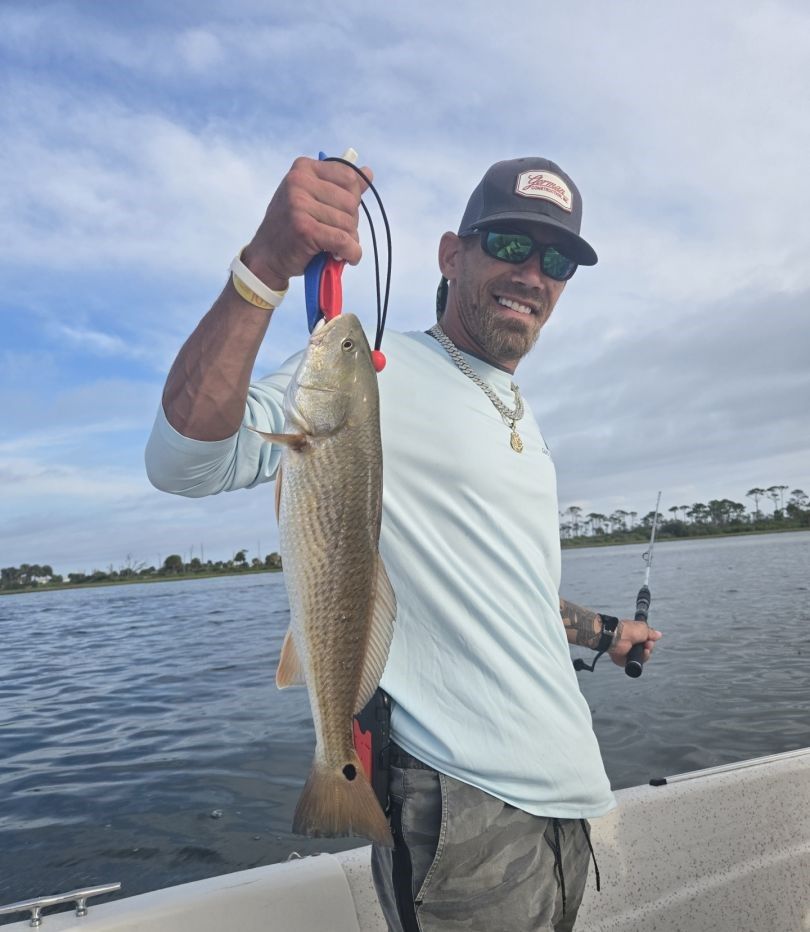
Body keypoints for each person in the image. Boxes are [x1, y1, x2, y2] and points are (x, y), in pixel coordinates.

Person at [145, 154, 662, 931]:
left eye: (557, 261)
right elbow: (184, 462)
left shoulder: (516, 408)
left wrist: (606, 633)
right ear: (452, 255)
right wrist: (264, 270)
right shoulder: (368, 377)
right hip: (465, 809)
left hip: (570, 804)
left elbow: (510, 592)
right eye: (511, 246)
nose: (533, 274)